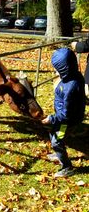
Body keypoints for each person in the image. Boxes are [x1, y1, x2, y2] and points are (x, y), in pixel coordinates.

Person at [42, 47, 86, 178]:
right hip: (66, 118)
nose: (54, 70)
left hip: (66, 121)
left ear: (64, 68)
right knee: (54, 136)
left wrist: (51, 118)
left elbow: (66, 114)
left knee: (57, 140)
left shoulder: (70, 87)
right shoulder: (73, 76)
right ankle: (59, 154)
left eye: (57, 67)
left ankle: (67, 167)